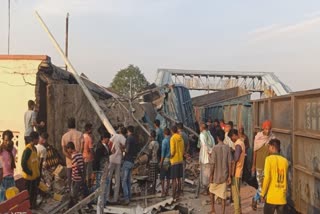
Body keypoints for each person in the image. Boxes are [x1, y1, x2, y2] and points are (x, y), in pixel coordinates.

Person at [251, 120, 275, 210]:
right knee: (261, 185)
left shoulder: (272, 138)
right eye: (266, 129)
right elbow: (255, 152)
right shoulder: (258, 137)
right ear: (263, 128)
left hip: (268, 166)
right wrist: (253, 165)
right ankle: (257, 199)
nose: (267, 131)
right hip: (259, 165)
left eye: (269, 129)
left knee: (266, 186)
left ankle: (256, 199)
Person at [261, 138, 288, 214]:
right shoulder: (285, 161)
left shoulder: (268, 159)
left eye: (269, 147)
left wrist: (263, 194)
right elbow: (285, 179)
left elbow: (267, 178)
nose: (268, 149)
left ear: (272, 147)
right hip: (282, 197)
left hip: (271, 197)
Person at [209, 129, 232, 214]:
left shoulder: (215, 148)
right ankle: (222, 212)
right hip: (224, 176)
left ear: (217, 138)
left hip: (216, 176)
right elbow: (230, 162)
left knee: (211, 191)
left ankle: (213, 209)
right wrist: (229, 176)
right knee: (223, 196)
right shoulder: (227, 148)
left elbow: (212, 163)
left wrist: (211, 175)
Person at [61, 117, 84, 189]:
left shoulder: (64, 136)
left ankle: (72, 196)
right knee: (80, 181)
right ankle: (80, 197)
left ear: (68, 125)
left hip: (69, 163)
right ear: (75, 124)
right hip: (79, 162)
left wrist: (71, 158)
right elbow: (82, 148)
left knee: (70, 182)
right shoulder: (80, 134)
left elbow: (64, 150)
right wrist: (77, 157)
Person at [106, 127, 127, 204]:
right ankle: (115, 198)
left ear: (120, 131)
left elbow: (109, 143)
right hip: (118, 160)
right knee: (117, 179)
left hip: (111, 158)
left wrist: (111, 150)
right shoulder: (124, 139)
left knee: (109, 177)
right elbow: (124, 149)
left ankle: (107, 197)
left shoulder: (115, 136)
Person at [228, 129, 246, 214]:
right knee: (237, 193)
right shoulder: (241, 143)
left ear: (234, 135)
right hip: (239, 171)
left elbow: (236, 159)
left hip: (236, 172)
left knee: (235, 195)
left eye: (231, 137)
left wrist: (231, 173)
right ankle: (239, 211)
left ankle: (237, 212)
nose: (231, 139)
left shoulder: (238, 144)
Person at [21, 131, 40, 209]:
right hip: (28, 178)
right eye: (37, 138)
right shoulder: (27, 150)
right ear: (34, 139)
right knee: (29, 194)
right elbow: (23, 163)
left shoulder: (34, 149)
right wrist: (29, 172)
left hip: (34, 177)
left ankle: (33, 206)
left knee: (34, 193)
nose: (38, 140)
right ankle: (28, 208)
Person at [122, 126, 138, 205]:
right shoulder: (135, 139)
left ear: (128, 131)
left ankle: (126, 198)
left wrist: (122, 149)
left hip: (127, 160)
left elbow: (127, 150)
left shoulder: (129, 138)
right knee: (128, 180)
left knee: (124, 181)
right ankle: (129, 197)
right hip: (132, 161)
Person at [197, 123, 215, 196]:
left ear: (202, 128)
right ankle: (209, 190)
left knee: (205, 175)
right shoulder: (210, 135)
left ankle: (206, 190)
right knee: (209, 174)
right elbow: (213, 145)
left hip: (205, 157)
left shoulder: (202, 135)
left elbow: (204, 145)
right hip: (210, 157)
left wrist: (208, 152)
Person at [66, 141, 85, 209]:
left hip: (76, 177)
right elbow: (82, 164)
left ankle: (75, 208)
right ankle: (71, 206)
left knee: (74, 194)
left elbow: (77, 166)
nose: (68, 151)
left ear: (70, 148)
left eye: (68, 149)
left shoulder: (73, 156)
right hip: (78, 177)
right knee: (73, 193)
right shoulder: (80, 154)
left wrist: (80, 173)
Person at [0, 130, 17, 202]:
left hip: (11, 178)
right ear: (3, 140)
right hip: (2, 179)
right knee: (3, 201)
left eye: (9, 140)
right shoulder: (0, 150)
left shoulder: (14, 150)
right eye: (5, 140)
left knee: (12, 201)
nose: (7, 142)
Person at [170, 125, 184, 201]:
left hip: (174, 161)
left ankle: (173, 195)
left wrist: (170, 157)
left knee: (174, 179)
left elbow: (172, 151)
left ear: (172, 131)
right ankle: (178, 194)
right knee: (179, 179)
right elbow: (183, 149)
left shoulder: (172, 138)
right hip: (180, 160)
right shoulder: (180, 138)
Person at [177, 122, 189, 193]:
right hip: (184, 156)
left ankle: (178, 187)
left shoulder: (178, 136)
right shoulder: (186, 135)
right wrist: (186, 153)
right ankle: (182, 187)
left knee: (178, 172)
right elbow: (188, 145)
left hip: (179, 156)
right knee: (183, 171)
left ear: (178, 128)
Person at [159, 128, 171, 197]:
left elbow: (163, 153)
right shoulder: (171, 139)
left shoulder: (164, 141)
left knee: (162, 177)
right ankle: (167, 191)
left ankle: (163, 191)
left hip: (165, 161)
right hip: (170, 160)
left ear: (164, 133)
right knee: (168, 177)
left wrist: (161, 162)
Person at [83, 123, 94, 189]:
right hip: (89, 157)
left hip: (83, 157)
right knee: (89, 173)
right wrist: (94, 155)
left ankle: (84, 187)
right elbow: (91, 149)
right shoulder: (89, 138)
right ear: (89, 129)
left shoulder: (82, 136)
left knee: (84, 173)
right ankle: (88, 187)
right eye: (91, 129)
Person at [148, 130, 159, 195]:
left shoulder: (151, 143)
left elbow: (150, 153)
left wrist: (147, 161)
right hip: (156, 161)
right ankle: (154, 189)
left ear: (151, 136)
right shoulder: (157, 143)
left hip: (152, 161)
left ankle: (151, 189)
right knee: (155, 176)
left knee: (151, 176)